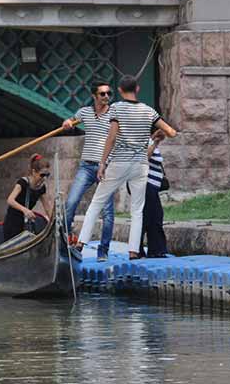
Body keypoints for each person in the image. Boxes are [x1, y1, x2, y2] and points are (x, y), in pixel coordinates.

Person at [75, 75, 177, 261]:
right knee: (137, 210)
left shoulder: (116, 108)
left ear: (120, 91)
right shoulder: (148, 111)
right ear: (137, 89)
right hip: (140, 166)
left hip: (119, 164)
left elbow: (111, 138)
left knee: (96, 203)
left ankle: (80, 243)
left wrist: (102, 163)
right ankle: (133, 252)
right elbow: (171, 132)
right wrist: (160, 134)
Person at [61, 82, 115, 262]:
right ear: (94, 96)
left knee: (107, 212)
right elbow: (70, 121)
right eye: (102, 94)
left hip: (105, 167)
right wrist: (67, 122)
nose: (106, 97)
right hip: (86, 166)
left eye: (109, 93)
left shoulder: (114, 114)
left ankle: (103, 250)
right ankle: (66, 243)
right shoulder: (84, 112)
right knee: (70, 203)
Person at [2, 154, 54, 242]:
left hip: (26, 224)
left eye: (47, 175)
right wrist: (25, 210)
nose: (44, 178)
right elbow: (10, 200)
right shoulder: (23, 182)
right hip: (12, 222)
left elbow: (47, 208)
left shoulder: (41, 187)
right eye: (42, 175)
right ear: (34, 172)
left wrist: (53, 223)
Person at [136, 131, 168, 258]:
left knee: (152, 217)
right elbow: (144, 158)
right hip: (145, 184)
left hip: (151, 185)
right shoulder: (142, 142)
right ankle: (152, 250)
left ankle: (153, 249)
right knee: (151, 217)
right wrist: (154, 142)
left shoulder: (148, 141)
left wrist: (155, 141)